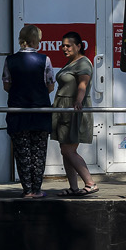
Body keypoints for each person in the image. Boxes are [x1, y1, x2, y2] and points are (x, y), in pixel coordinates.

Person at [2, 24, 55, 198]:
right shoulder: (44, 59)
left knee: (22, 151)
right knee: (38, 152)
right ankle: (37, 189)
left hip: (18, 111)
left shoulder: (10, 60)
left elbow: (6, 85)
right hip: (40, 111)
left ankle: (27, 190)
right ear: (35, 40)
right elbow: (50, 85)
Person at [51, 32, 97, 196]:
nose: (64, 48)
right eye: (63, 45)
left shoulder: (83, 63)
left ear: (79, 46)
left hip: (73, 111)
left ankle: (90, 183)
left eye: (68, 45)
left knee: (69, 150)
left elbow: (82, 84)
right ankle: (74, 187)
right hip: (63, 110)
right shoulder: (71, 63)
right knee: (65, 150)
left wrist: (78, 101)